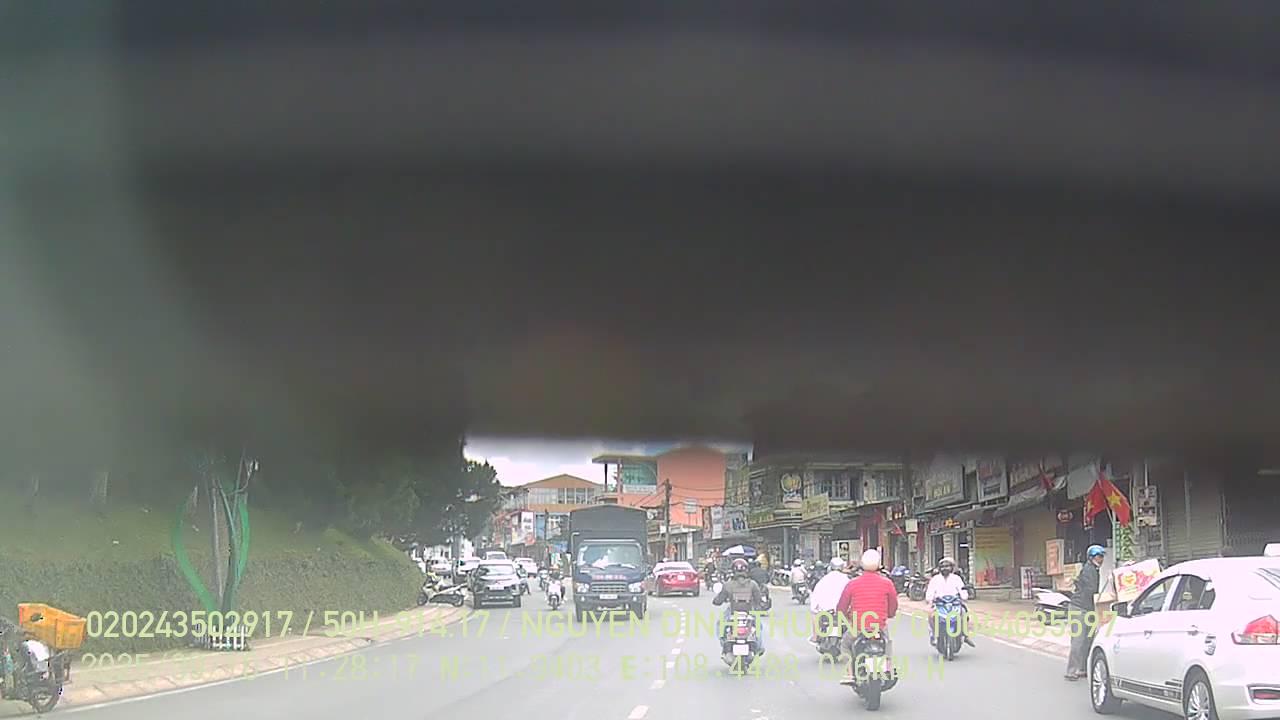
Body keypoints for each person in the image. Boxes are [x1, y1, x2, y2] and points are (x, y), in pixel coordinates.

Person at [835, 549, 898, 682]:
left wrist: (846, 617)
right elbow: (893, 605)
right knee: (887, 643)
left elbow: (841, 607)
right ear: (879, 564)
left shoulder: (853, 583)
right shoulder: (887, 583)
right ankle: (888, 667)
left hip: (858, 627)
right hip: (879, 627)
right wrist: (889, 614)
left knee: (845, 645)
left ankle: (850, 674)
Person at [1065, 544, 1106, 680]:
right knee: (1078, 640)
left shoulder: (1094, 570)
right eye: (1099, 556)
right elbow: (1091, 589)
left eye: (1102, 557)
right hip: (1079, 608)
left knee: (1088, 640)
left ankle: (1082, 669)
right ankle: (1071, 671)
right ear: (1092, 557)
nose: (1101, 559)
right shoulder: (1089, 570)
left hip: (1089, 608)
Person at [712, 558, 767, 655]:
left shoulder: (728, 585)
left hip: (733, 612)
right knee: (759, 626)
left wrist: (717, 600)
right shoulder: (753, 584)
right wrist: (760, 604)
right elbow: (759, 600)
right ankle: (759, 647)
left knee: (719, 624)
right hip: (749, 612)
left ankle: (724, 643)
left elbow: (718, 600)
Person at [925, 556, 974, 647]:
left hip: (954, 603)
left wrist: (964, 596)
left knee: (965, 614)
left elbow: (962, 590)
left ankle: (966, 635)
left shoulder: (956, 578)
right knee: (931, 615)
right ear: (939, 568)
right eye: (943, 567)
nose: (945, 568)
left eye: (947, 566)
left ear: (951, 568)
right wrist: (930, 600)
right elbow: (930, 591)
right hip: (939, 604)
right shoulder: (935, 579)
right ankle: (934, 635)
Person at [809, 556, 853, 642]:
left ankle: (815, 636)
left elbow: (814, 604)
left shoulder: (822, 581)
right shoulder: (847, 580)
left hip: (826, 613)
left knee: (814, 613)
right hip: (843, 614)